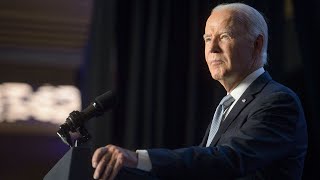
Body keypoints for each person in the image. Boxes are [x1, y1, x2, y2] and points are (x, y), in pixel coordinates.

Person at [91, 2, 308, 179]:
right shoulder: (227, 107)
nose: (212, 48)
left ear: (257, 44)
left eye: (224, 36)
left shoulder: (277, 101)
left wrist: (139, 159)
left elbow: (230, 160)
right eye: (207, 39)